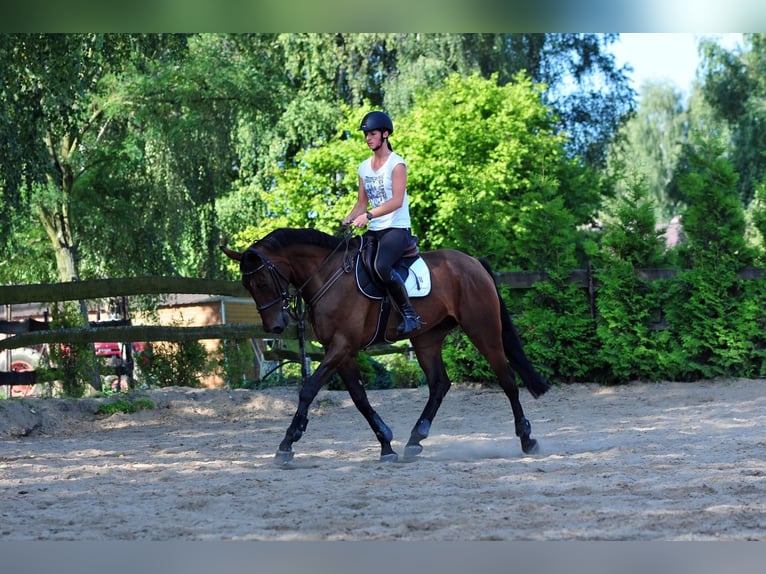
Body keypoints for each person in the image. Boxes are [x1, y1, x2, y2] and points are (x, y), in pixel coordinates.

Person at [342, 111, 421, 335]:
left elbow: (396, 201)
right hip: (375, 230)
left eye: (372, 134)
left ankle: (409, 314)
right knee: (350, 260)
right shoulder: (363, 167)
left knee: (380, 265)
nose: (368, 138)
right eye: (366, 134)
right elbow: (361, 202)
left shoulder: (397, 165)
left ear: (385, 134)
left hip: (396, 229)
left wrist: (368, 216)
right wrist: (349, 217)